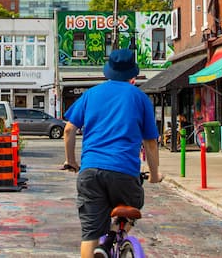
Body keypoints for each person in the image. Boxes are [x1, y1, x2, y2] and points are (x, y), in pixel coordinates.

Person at [62, 49, 163, 258]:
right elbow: (151, 143)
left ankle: (102, 246)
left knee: (90, 233)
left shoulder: (91, 94)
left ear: (108, 71)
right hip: (124, 172)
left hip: (90, 171)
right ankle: (111, 239)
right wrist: (154, 175)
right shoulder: (140, 98)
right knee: (131, 208)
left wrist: (71, 161)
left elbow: (69, 129)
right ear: (132, 74)